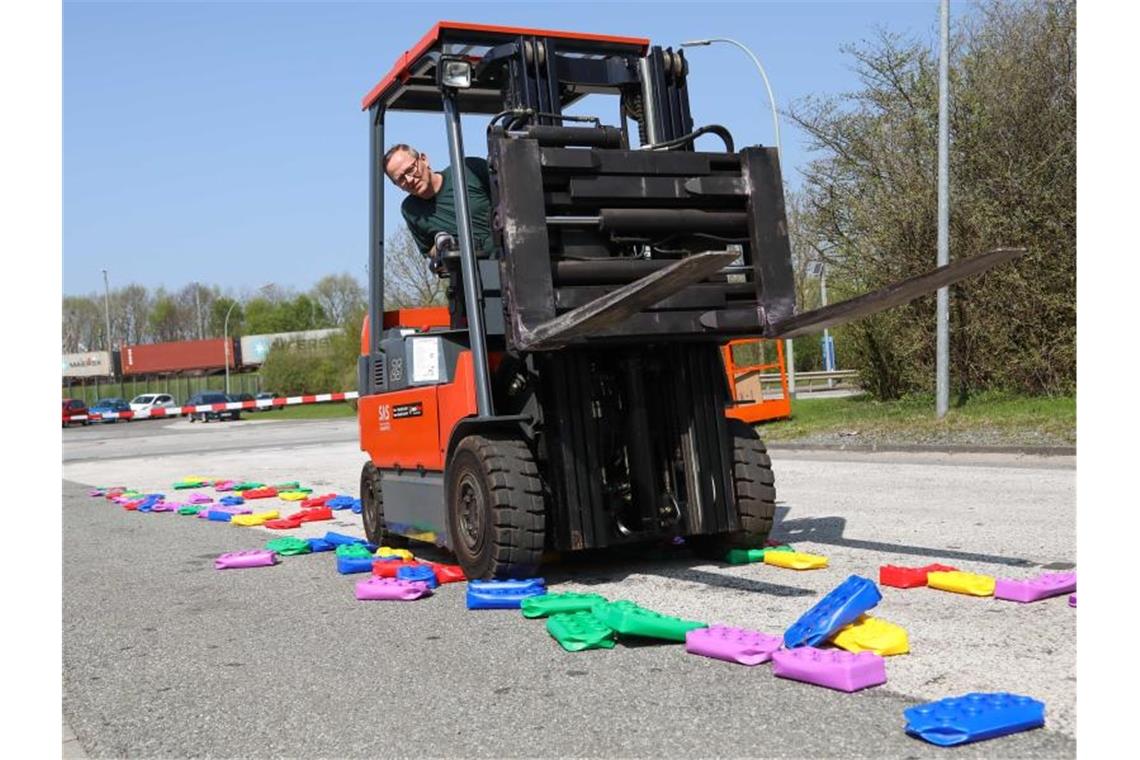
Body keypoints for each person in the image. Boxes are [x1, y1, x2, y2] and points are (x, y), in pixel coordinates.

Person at [382, 144, 496, 262]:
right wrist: (441, 244)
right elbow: (429, 251)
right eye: (401, 179)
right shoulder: (411, 210)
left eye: (410, 170)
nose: (410, 180)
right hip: (473, 274)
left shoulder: (468, 170)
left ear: (424, 159)